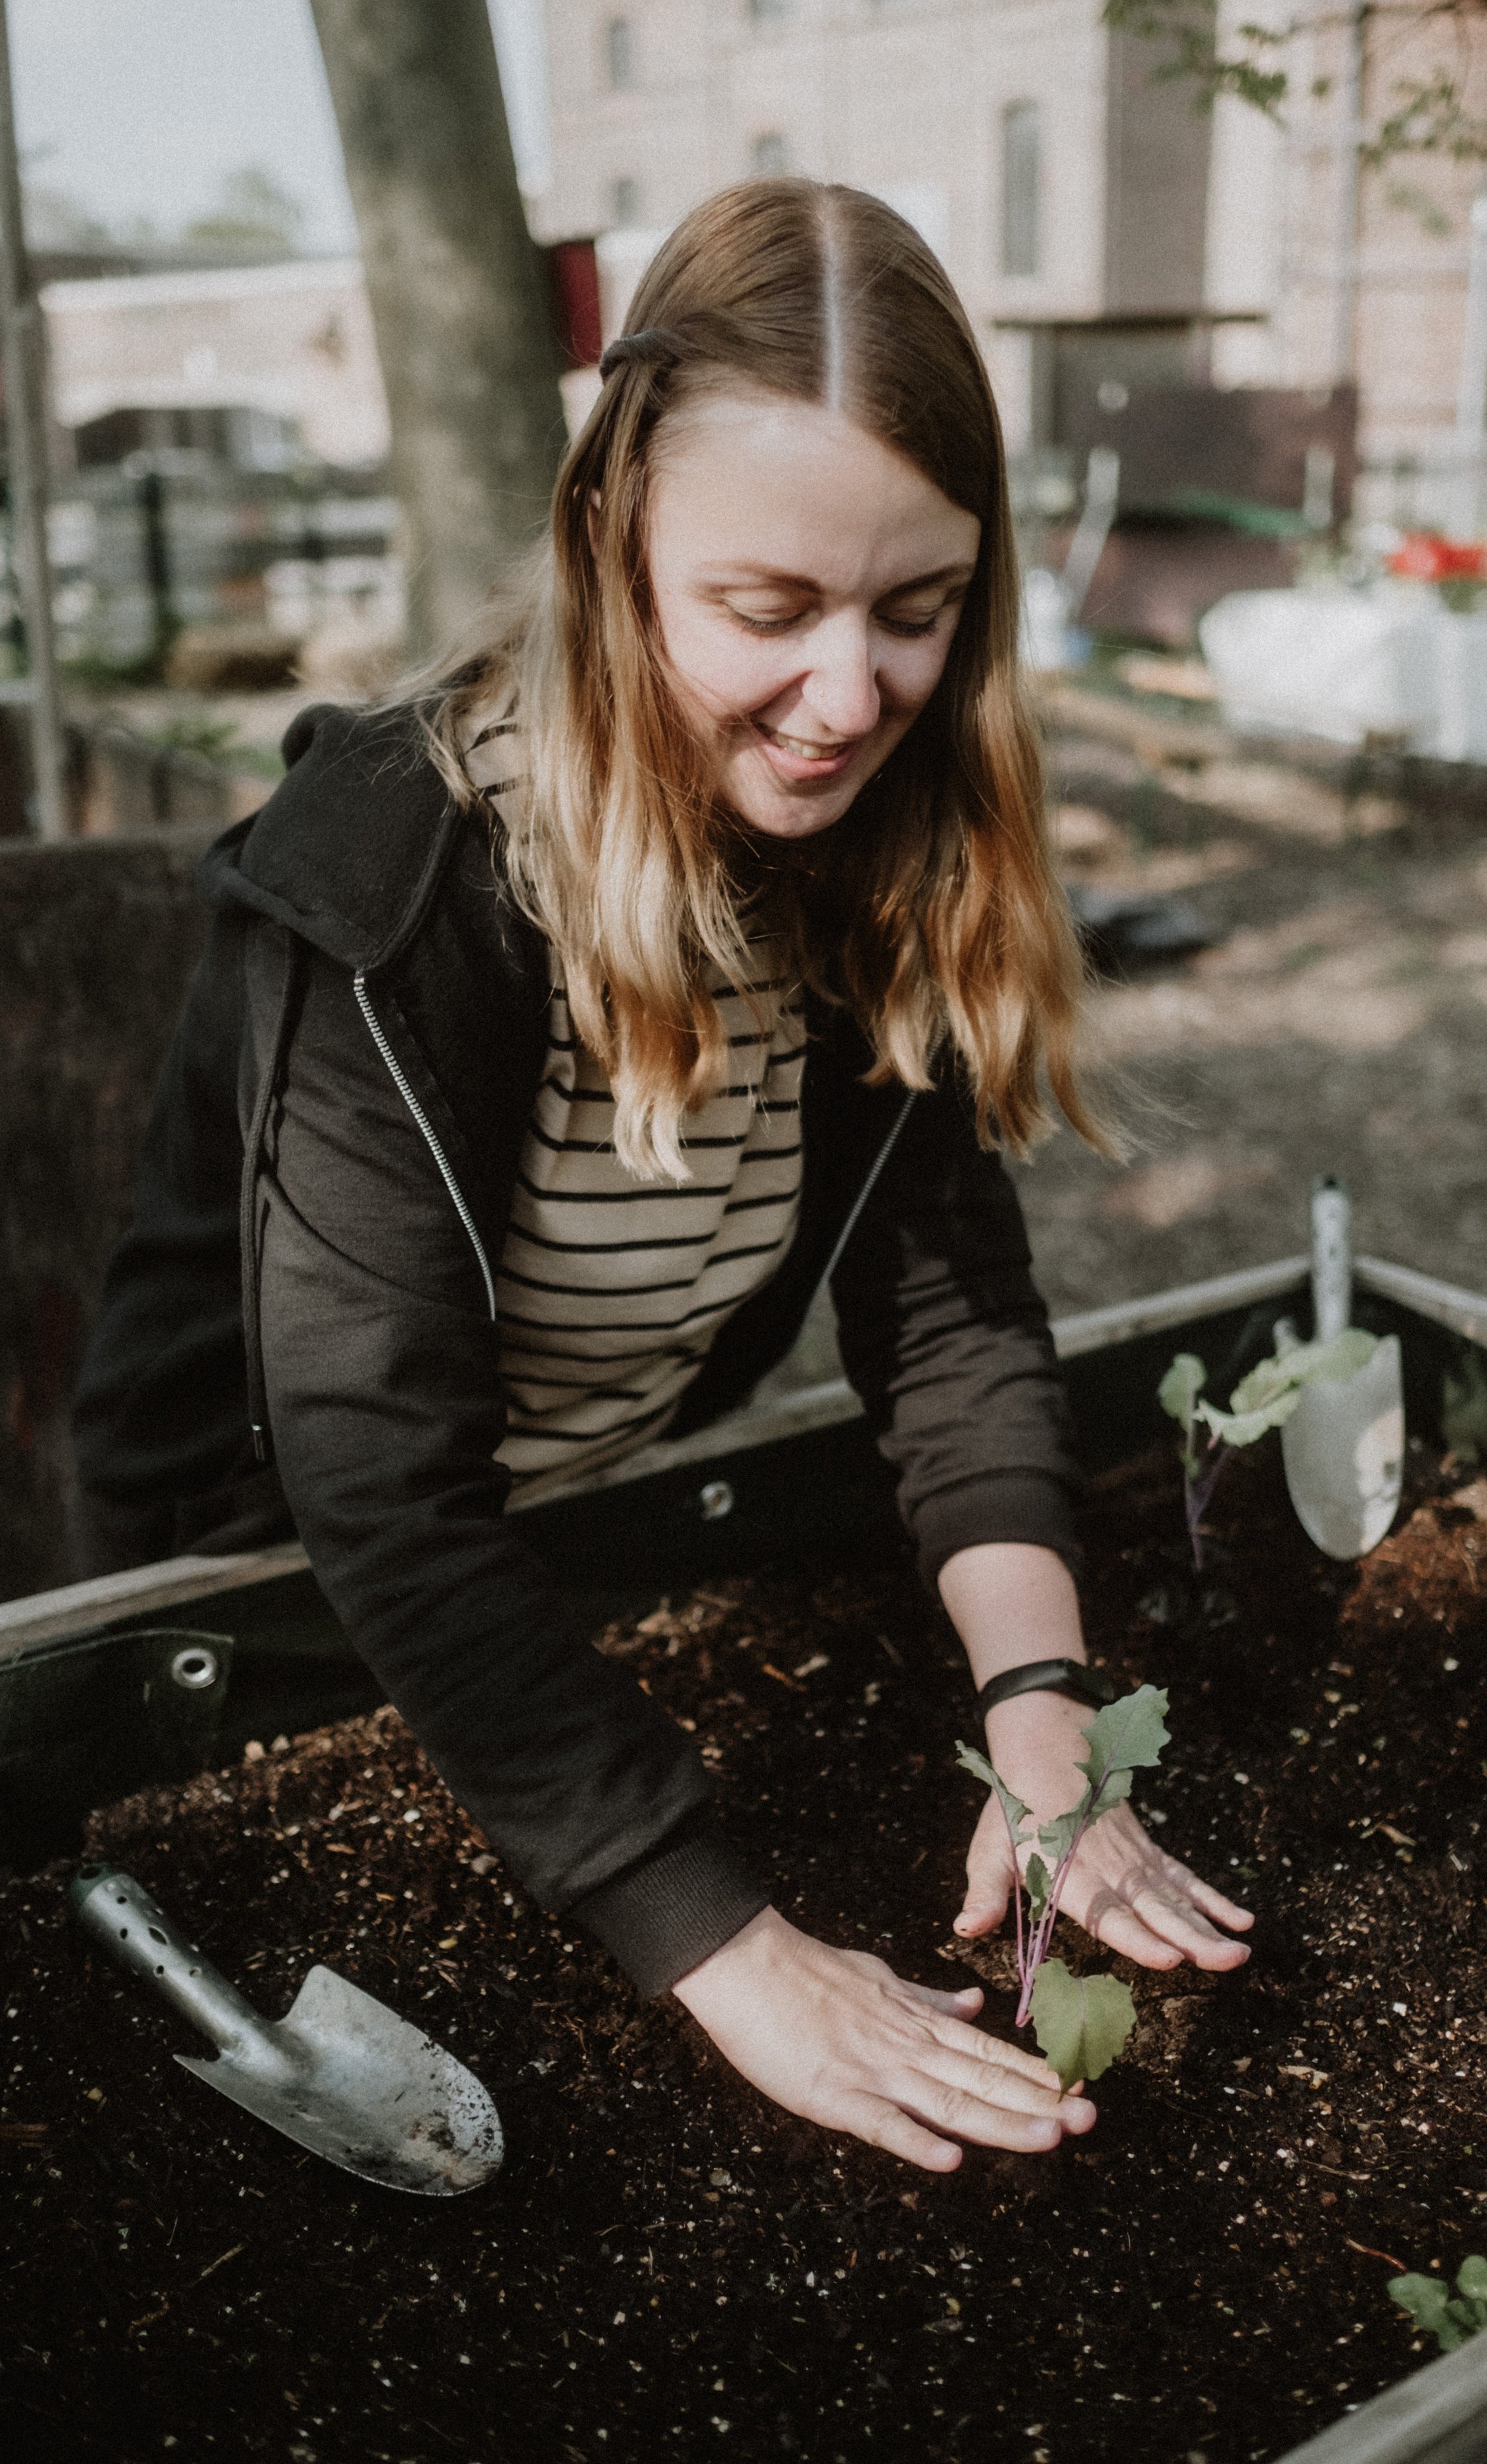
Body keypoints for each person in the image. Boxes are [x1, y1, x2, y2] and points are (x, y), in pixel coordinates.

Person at [72, 179, 1250, 2173]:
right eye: (767, 613)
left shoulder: (893, 850)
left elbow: (951, 1328)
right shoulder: (398, 877)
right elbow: (372, 1478)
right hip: (255, 1582)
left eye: (918, 608)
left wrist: (1045, 1723)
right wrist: (730, 1947)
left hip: (568, 1535)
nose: (852, 696)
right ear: (611, 542)